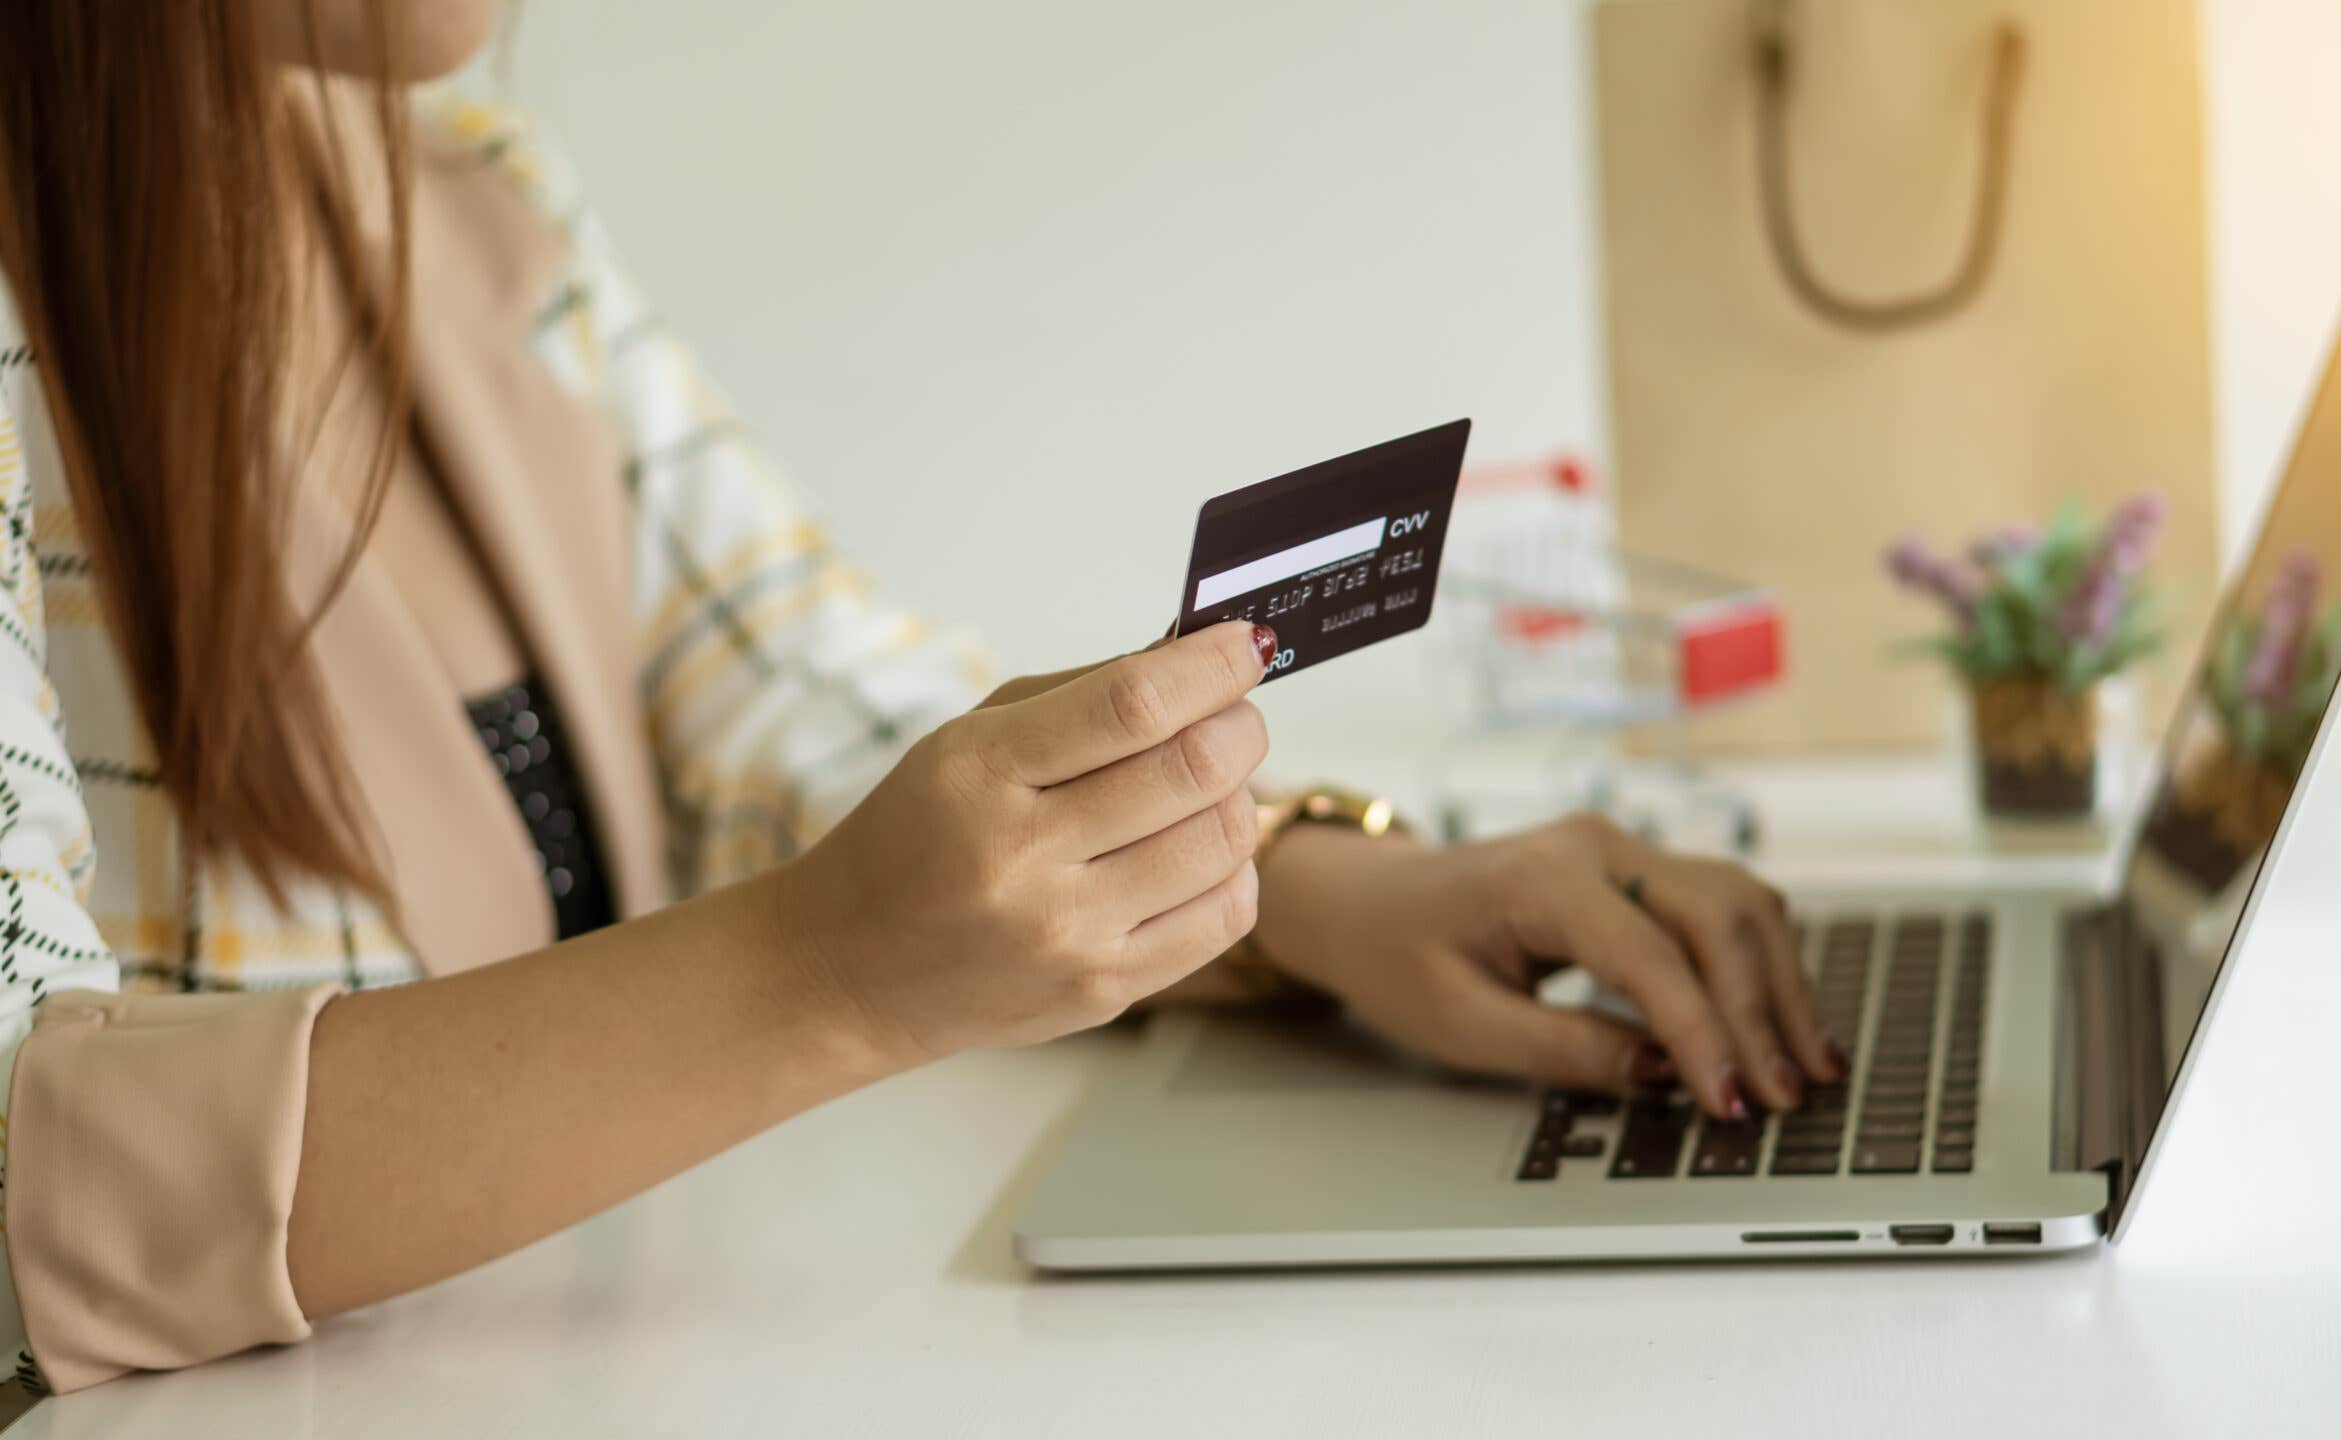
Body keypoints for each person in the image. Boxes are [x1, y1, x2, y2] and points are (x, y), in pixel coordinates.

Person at [0, 1, 1843, 1398]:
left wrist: (1335, 889)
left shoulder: (471, 199)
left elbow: (805, 718)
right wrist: (815, 975)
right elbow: (26, 1166)